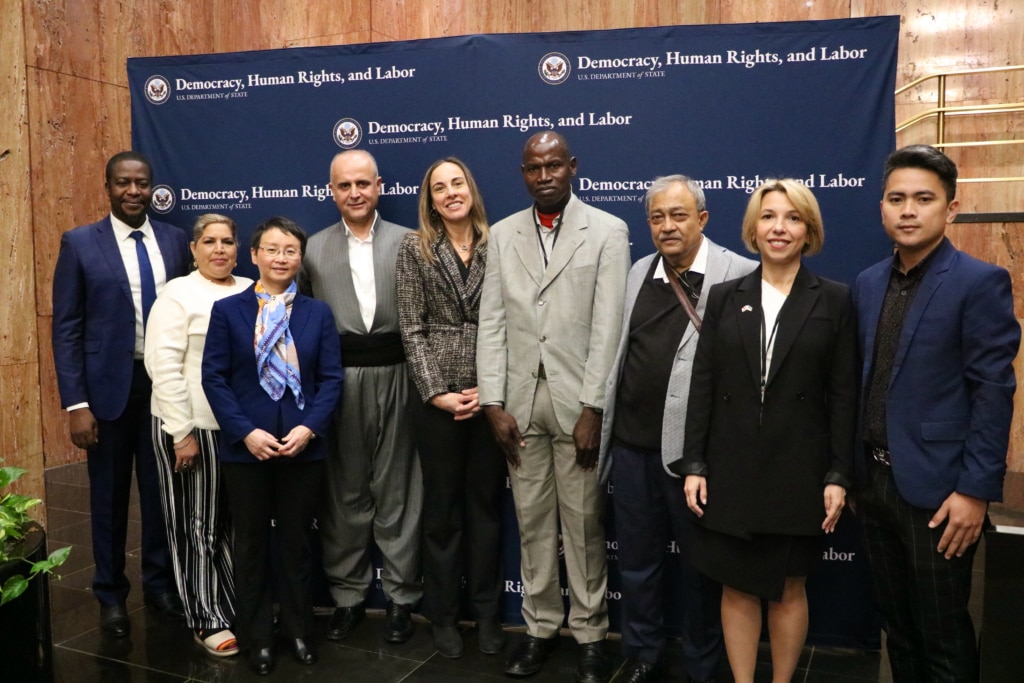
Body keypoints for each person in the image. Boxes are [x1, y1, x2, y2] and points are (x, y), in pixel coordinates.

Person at [853, 145, 1020, 683]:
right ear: (881, 207)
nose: (908, 210)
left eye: (924, 199)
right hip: (874, 483)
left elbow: (994, 393)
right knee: (897, 629)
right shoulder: (868, 282)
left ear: (951, 209)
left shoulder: (980, 281)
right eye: (896, 198)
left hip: (940, 493)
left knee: (942, 634)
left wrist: (974, 491)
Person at [681, 179, 857, 683]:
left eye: (793, 218)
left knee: (788, 585)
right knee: (736, 587)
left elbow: (843, 395)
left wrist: (839, 474)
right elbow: (705, 384)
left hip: (798, 469)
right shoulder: (723, 296)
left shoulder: (836, 300)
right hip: (731, 465)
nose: (779, 227)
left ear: (810, 230)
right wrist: (694, 462)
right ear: (753, 229)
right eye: (769, 216)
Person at [477, 131, 631, 683]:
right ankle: (540, 628)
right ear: (523, 173)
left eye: (553, 166)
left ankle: (590, 635)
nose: (544, 176)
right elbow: (492, 321)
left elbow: (609, 327)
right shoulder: (501, 235)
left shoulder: (609, 232)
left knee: (585, 524)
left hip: (577, 404)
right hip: (518, 406)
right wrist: (492, 401)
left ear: (572, 168)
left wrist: (595, 406)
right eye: (533, 168)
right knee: (533, 523)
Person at [598, 175, 757, 683]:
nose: (667, 226)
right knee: (639, 564)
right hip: (631, 448)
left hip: (695, 459)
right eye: (657, 217)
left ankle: (702, 663)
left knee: (701, 571)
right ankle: (643, 654)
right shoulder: (639, 270)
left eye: (679, 215)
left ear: (703, 219)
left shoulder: (740, 272)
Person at [52, 151, 189, 637]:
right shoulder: (80, 244)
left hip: (163, 388)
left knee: (160, 496)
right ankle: (110, 594)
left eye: (142, 183)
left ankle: (159, 588)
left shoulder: (175, 242)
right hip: (107, 393)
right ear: (107, 186)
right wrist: (76, 404)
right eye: (123, 183)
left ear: (152, 187)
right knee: (108, 499)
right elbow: (67, 329)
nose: (133, 191)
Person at [202, 216, 343, 675]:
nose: (281, 258)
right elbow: (215, 379)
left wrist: (310, 429)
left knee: (299, 543)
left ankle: (299, 631)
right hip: (248, 449)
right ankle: (258, 636)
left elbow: (330, 379)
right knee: (252, 544)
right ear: (255, 255)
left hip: (303, 446)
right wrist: (245, 431)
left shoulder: (317, 313)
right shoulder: (228, 311)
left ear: (300, 260)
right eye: (272, 249)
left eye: (290, 251)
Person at [298, 149, 423, 644]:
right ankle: (347, 596)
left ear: (379, 187)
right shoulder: (312, 249)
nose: (354, 193)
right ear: (331, 191)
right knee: (344, 490)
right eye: (344, 185)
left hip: (400, 372)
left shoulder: (410, 243)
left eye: (363, 184)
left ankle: (401, 597)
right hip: (340, 379)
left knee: (399, 489)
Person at [396, 157, 507, 659]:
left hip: (490, 397)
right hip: (437, 400)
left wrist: (491, 388)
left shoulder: (499, 242)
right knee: (442, 511)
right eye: (439, 188)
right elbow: (411, 327)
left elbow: (513, 321)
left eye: (457, 183)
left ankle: (486, 614)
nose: (449, 193)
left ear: (471, 189)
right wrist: (436, 389)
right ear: (431, 200)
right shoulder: (413, 248)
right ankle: (443, 615)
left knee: (484, 509)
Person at [144, 213, 253, 657]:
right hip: (191, 428)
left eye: (227, 241)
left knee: (227, 525)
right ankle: (205, 618)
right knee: (195, 527)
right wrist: (180, 433)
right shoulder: (177, 294)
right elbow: (163, 366)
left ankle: (231, 607)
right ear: (193, 249)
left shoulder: (251, 289)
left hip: (239, 431)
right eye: (209, 242)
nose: (219, 250)